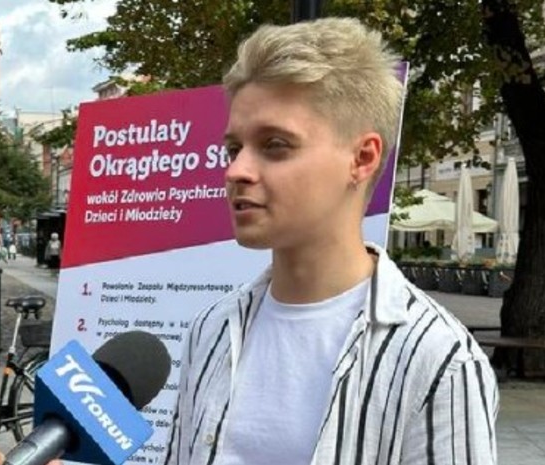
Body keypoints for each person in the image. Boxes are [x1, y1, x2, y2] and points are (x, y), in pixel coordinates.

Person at [164, 18, 498, 465]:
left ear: (362, 158)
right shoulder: (211, 330)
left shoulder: (438, 359)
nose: (235, 171)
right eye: (233, 148)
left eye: (275, 144)